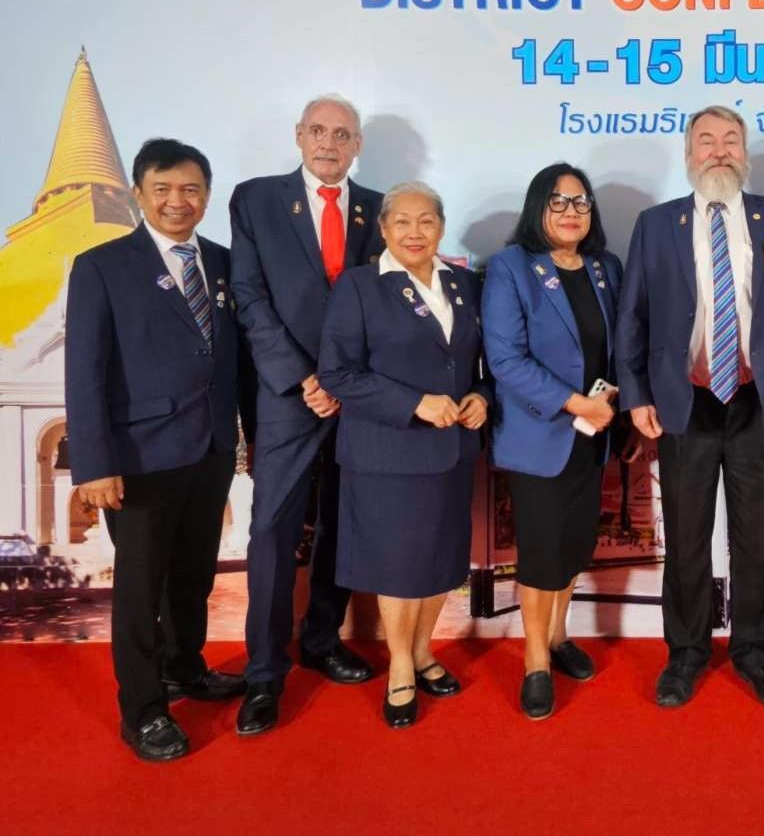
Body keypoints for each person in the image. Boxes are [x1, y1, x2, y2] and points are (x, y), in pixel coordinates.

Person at [617, 105, 764, 711]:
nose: (719, 151)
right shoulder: (657, 224)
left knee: (756, 537)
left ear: (745, 152)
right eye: (706, 141)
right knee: (685, 537)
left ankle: (755, 652)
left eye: (731, 140)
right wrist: (637, 396)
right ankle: (685, 653)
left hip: (759, 400)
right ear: (688, 154)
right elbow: (633, 316)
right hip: (686, 400)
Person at [65, 138, 246, 761]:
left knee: (194, 574)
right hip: (139, 458)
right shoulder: (103, 266)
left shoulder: (222, 263)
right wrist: (94, 464)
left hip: (211, 448)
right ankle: (143, 712)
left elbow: (236, 360)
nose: (177, 201)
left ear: (207, 196)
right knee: (141, 592)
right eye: (163, 189)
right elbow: (85, 371)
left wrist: (246, 437)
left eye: (191, 189)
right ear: (138, 194)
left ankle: (184, 667)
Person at [230, 93, 382, 736]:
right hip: (287, 395)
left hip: (358, 396)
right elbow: (248, 297)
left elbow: (387, 305)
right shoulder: (257, 199)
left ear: (357, 146)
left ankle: (322, 639)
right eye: (318, 130)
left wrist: (348, 381)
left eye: (342, 134)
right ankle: (264, 673)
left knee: (344, 523)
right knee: (272, 530)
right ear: (298, 135)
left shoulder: (379, 209)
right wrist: (304, 377)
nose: (328, 143)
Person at [318, 181, 489, 729]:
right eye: (402, 222)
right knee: (398, 564)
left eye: (426, 221)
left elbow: (481, 364)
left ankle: (422, 651)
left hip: (452, 450)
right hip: (388, 453)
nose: (415, 232)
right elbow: (337, 373)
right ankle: (399, 666)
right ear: (384, 229)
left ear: (441, 227)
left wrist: (481, 397)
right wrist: (415, 403)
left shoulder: (463, 283)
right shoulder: (360, 286)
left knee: (441, 559)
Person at [482, 163, 629, 719]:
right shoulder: (512, 268)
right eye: (559, 202)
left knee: (572, 546)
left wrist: (614, 408)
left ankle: (559, 636)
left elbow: (619, 346)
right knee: (542, 554)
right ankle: (535, 662)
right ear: (538, 207)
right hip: (539, 435)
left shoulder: (605, 267)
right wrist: (575, 403)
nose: (571, 212)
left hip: (593, 437)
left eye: (580, 202)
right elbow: (505, 359)